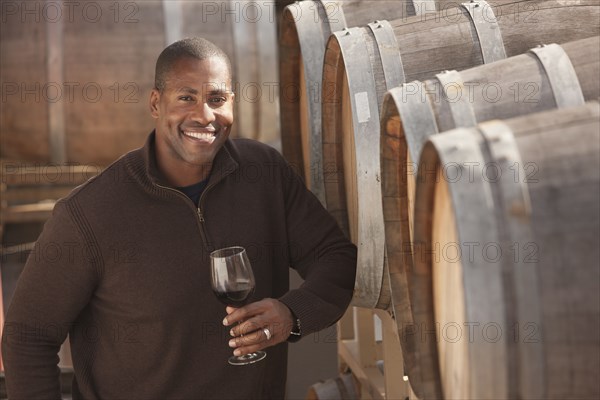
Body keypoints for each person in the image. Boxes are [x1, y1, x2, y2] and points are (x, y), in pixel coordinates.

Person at [1, 37, 357, 399]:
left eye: (216, 99)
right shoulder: (89, 213)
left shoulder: (264, 173)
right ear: (156, 104)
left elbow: (337, 258)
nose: (204, 116)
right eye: (186, 97)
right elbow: (28, 335)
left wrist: (292, 315)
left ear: (232, 103)